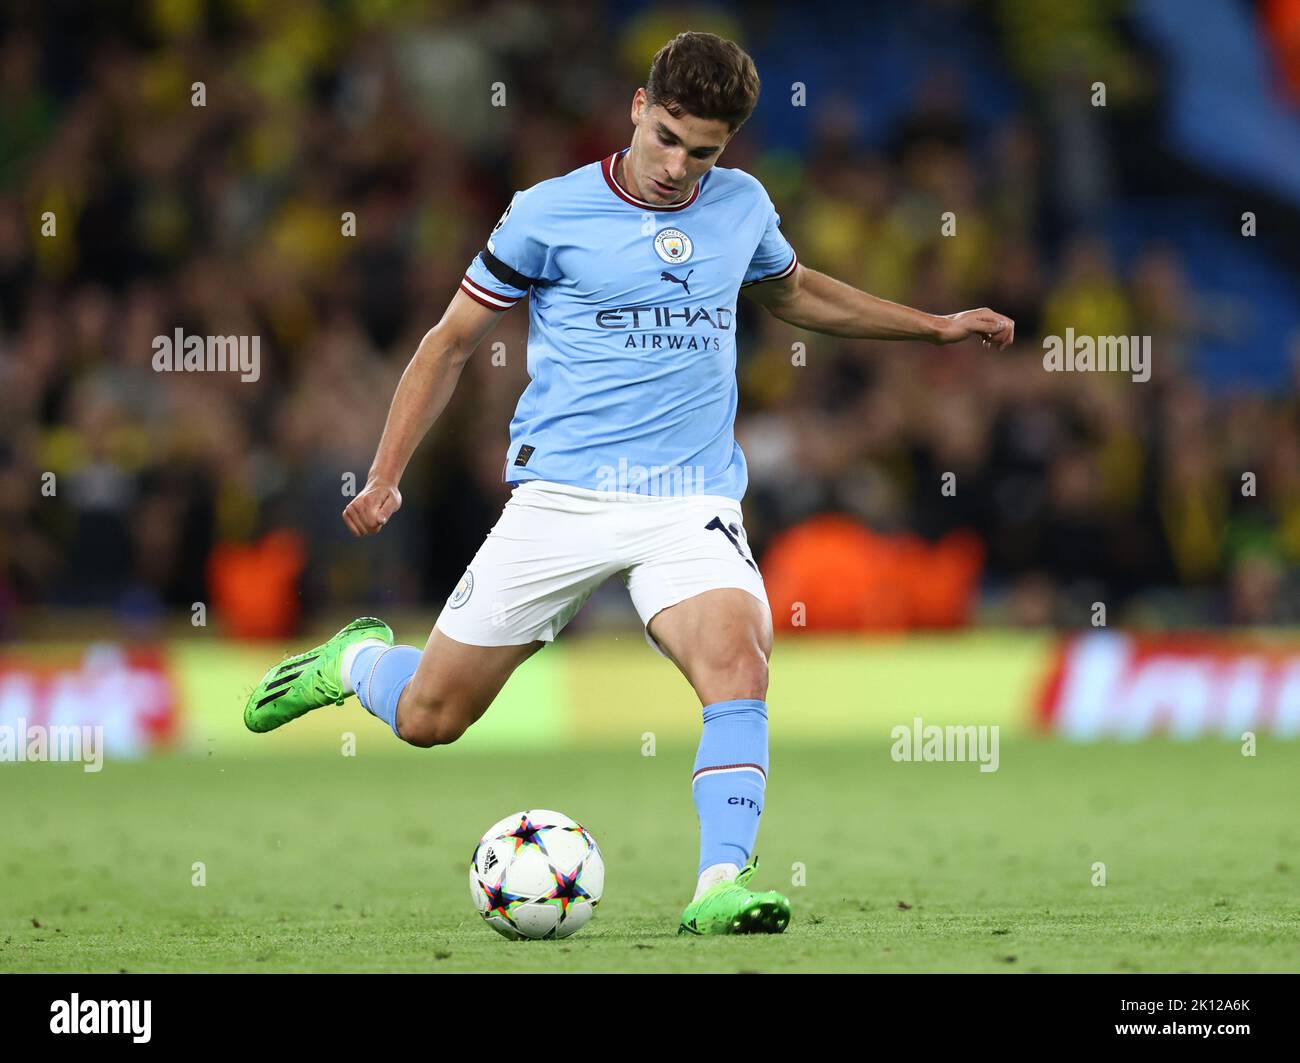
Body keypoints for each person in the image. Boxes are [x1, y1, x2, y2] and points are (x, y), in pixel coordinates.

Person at [242, 31, 1014, 936]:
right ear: (639, 111)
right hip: (562, 497)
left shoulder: (742, 207)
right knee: (429, 717)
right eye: (668, 138)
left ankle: (719, 883)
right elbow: (448, 343)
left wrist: (934, 327)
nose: (678, 168)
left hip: (688, 502)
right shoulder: (546, 211)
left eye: (704, 153)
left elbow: (796, 292)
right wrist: (384, 475)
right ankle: (356, 662)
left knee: (739, 663)